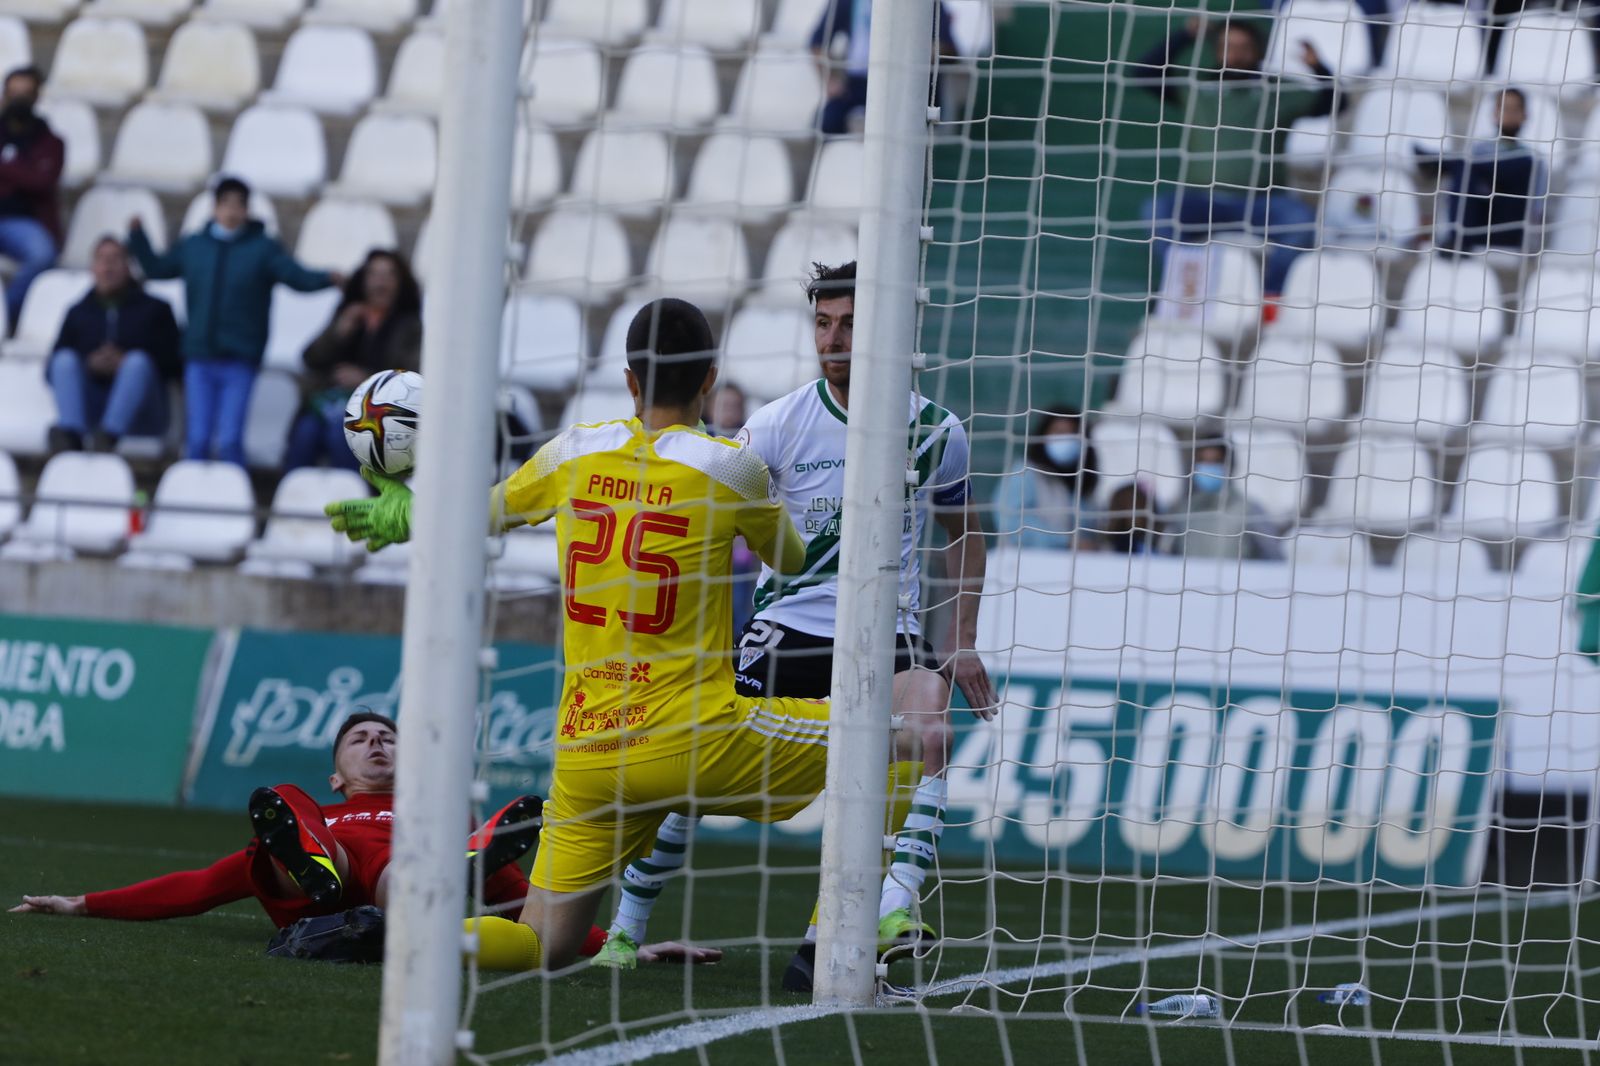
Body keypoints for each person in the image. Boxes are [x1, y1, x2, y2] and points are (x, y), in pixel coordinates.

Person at [326, 298, 879, 973]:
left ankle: (401, 935)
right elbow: (789, 562)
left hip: (592, 749)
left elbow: (485, 512)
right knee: (893, 739)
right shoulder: (731, 468)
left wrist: (417, 509)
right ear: (710, 378)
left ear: (628, 381)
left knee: (543, 944)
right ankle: (841, 950)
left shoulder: (573, 449)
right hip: (698, 735)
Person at [595, 262, 998, 992]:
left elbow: (967, 531)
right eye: (823, 323)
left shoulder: (937, 431)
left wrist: (962, 638)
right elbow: (705, 521)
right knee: (685, 768)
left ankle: (883, 915)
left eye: (849, 324)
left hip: (886, 637)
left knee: (929, 727)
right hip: (784, 631)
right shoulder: (778, 424)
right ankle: (624, 929)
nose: (833, 339)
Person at [127, 176, 342, 468]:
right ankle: (193, 498)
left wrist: (327, 279)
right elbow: (157, 268)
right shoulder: (195, 246)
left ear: (247, 210)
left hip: (241, 357)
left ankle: (235, 504)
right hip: (199, 356)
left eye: (239, 204)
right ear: (214, 207)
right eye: (225, 203)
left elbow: (296, 277)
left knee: (229, 440)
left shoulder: (263, 249)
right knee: (198, 440)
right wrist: (138, 239)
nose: (232, 210)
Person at [1130, 15, 1346, 293]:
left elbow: (1336, 103)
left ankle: (1270, 296)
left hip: (1263, 203)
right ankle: (1181, 290)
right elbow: (1144, 73)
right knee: (1157, 212)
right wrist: (1185, 36)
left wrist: (1319, 67)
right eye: (1227, 46)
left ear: (1258, 51)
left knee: (1301, 222)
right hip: (1202, 201)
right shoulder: (1195, 88)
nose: (1236, 54)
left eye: (1244, 47)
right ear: (1217, 50)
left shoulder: (1279, 91)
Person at [286, 250, 422, 472]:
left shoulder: (409, 326)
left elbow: (413, 375)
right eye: (374, 275)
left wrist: (365, 379)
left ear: (400, 282)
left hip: (381, 415)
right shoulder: (349, 314)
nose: (381, 282)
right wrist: (338, 332)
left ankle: (355, 500)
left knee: (342, 432)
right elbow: (310, 359)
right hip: (333, 402)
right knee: (306, 431)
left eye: (389, 275)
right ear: (363, 280)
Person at [45, 237, 180, 454]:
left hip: (144, 412)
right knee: (64, 360)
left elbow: (175, 365)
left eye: (115, 260)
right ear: (92, 268)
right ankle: (72, 435)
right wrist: (89, 364)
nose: (108, 267)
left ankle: (109, 435)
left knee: (137, 363)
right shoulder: (77, 312)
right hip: (93, 407)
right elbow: (50, 371)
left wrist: (124, 362)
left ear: (128, 267)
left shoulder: (157, 310)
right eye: (102, 260)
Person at [1418, 87, 1547, 256]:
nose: (1509, 114)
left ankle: (1439, 163)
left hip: (1508, 229)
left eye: (1515, 109)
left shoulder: (1533, 160)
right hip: (1478, 225)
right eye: (1504, 108)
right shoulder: (1479, 149)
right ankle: (1458, 238)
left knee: (1470, 164)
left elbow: (1535, 209)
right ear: (1494, 113)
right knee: (1466, 167)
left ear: (1525, 115)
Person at [811, 0, 958, 135]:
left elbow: (949, 49)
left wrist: (914, 51)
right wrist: (831, 81)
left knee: (901, 128)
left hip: (903, 85)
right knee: (825, 122)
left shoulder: (922, 4)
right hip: (856, 85)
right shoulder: (846, 2)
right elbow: (817, 42)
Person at [0, 65, 63, 322]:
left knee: (42, 254)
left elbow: (42, 183)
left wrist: (5, 168)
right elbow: (32, 177)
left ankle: (5, 314)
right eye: (14, 93)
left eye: (26, 94)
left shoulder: (51, 141)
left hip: (25, 222)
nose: (19, 100)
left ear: (37, 97)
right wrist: (22, 172)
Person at [990, 408, 1101, 551]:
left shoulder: (1083, 482)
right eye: (1058, 432)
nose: (1065, 439)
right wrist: (1065, 542)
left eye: (1072, 433)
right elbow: (1011, 521)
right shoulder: (1025, 472)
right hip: (1025, 564)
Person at [1165, 438, 1284, 562]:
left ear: (1229, 467)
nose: (1208, 468)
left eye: (1215, 462)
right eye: (1203, 461)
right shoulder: (1183, 511)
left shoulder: (1249, 511)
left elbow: (1274, 558)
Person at [1101, 479, 1162, 555]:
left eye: (1132, 506)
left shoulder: (1153, 549)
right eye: (1120, 506)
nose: (1124, 513)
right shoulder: (1104, 547)